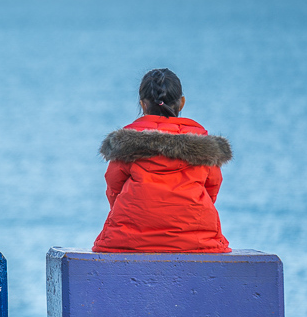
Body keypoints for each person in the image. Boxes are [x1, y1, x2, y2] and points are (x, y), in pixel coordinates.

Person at [92, 68, 231, 254]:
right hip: (198, 241)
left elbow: (114, 188)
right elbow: (212, 188)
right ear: (181, 103)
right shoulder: (204, 144)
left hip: (127, 240)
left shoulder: (126, 142)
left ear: (142, 104)